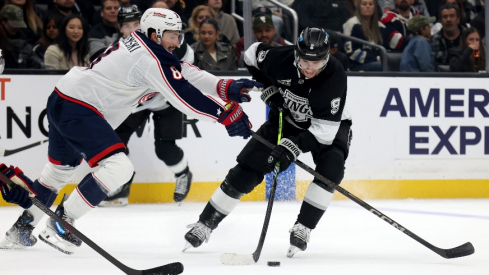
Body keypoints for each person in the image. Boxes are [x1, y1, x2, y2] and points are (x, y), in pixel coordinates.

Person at [0, 8, 262, 254]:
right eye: (174, 35)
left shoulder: (143, 46)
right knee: (119, 168)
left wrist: (223, 87)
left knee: (57, 173)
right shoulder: (150, 59)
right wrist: (225, 114)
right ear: (155, 34)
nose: (179, 41)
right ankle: (62, 222)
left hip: (63, 97)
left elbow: (183, 72)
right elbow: (184, 97)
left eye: (180, 35)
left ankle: (21, 229)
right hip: (79, 107)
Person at [183, 27, 353, 259]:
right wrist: (269, 87)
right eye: (305, 61)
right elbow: (251, 54)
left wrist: (291, 147)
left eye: (317, 62)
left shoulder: (334, 75)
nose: (310, 68)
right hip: (288, 117)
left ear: (327, 57)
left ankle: (303, 227)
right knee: (248, 169)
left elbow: (323, 133)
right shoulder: (280, 58)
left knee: (331, 169)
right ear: (296, 54)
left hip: (328, 125)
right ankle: (205, 223)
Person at [99, 4, 194, 206]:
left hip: (167, 101)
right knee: (115, 142)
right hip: (137, 102)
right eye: (127, 26)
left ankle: (183, 173)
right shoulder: (118, 51)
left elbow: (187, 59)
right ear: (119, 28)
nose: (132, 30)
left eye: (136, 24)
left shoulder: (164, 42)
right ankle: (122, 182)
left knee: (164, 149)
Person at [342, 0, 386, 71]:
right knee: (379, 66)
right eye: (364, 4)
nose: (368, 6)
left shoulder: (381, 26)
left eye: (371, 4)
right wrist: (375, 58)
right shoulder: (351, 24)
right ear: (359, 7)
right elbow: (351, 53)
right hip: (356, 65)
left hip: (377, 62)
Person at [0, 4, 42, 69]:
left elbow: (37, 65)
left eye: (18, 25)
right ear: (3, 21)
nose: (16, 28)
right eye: (13, 25)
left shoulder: (23, 44)